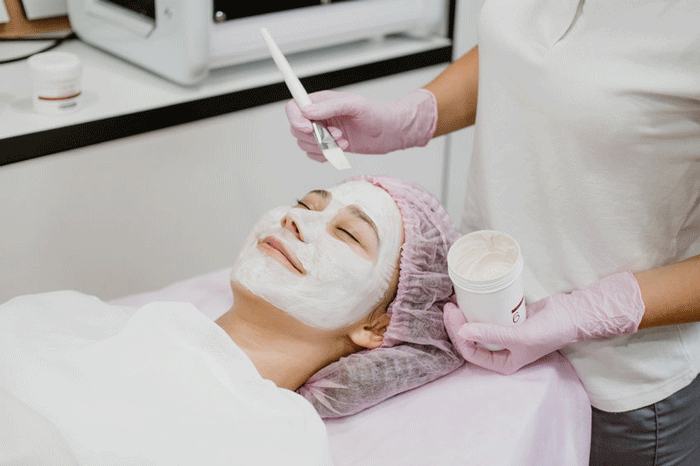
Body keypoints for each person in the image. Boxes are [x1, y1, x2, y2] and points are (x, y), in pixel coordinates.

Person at [284, 1, 700, 464]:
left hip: (618, 387)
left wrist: (584, 314)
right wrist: (405, 119)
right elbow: (518, 52)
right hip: (479, 332)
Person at [0, 175, 462, 465]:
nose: (297, 221)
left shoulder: (274, 442)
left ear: (377, 328)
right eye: (305, 204)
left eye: (347, 232)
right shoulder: (70, 315)